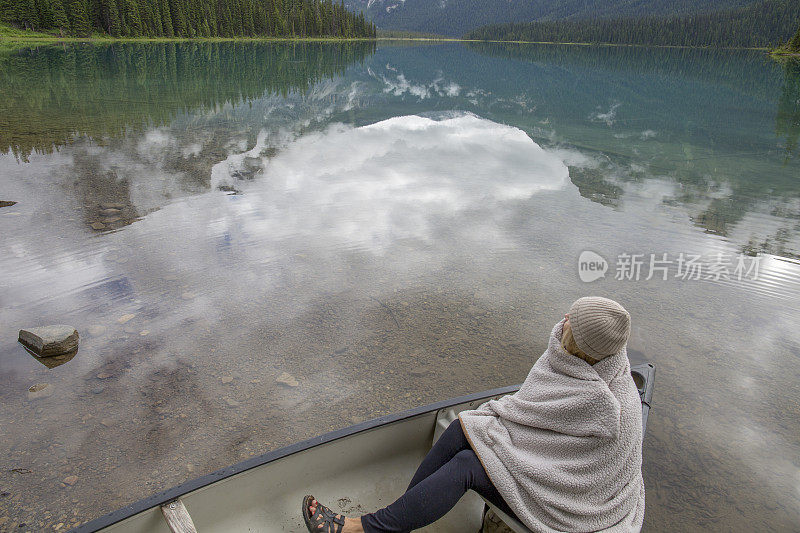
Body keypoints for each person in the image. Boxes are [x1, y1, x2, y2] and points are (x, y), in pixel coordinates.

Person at [302, 296, 645, 533]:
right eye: (570, 313)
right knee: (465, 427)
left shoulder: (610, 407)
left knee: (469, 465)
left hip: (573, 507)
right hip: (550, 470)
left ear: (584, 348)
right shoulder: (592, 359)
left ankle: (367, 529)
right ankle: (400, 516)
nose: (564, 319)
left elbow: (585, 475)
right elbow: (540, 421)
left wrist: (509, 451)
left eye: (572, 322)